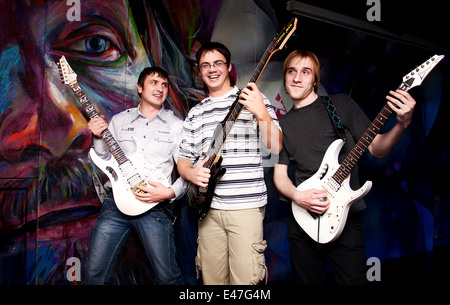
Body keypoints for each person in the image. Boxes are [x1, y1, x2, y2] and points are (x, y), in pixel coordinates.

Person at [273, 49, 416, 285]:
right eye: (291, 71)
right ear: (285, 77)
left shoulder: (341, 105)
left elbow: (377, 148)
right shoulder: (281, 124)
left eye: (305, 72)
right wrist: (299, 196)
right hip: (301, 217)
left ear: (315, 80)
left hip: (345, 215)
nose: (297, 77)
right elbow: (280, 175)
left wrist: (402, 124)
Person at [177, 42, 282, 285]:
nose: (212, 70)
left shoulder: (253, 98)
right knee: (212, 282)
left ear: (229, 67)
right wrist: (191, 173)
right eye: (205, 65)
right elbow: (183, 157)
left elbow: (276, 146)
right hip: (207, 210)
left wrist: (261, 113)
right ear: (199, 71)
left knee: (245, 283)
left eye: (218, 63)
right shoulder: (196, 113)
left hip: (245, 207)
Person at [84, 66, 186, 285]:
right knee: (93, 275)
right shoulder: (120, 121)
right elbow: (103, 157)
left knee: (168, 278)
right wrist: (98, 135)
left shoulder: (177, 126)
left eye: (165, 84)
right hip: (116, 205)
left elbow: (188, 171)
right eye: (154, 82)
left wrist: (169, 193)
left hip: (155, 206)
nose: (160, 88)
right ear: (140, 88)